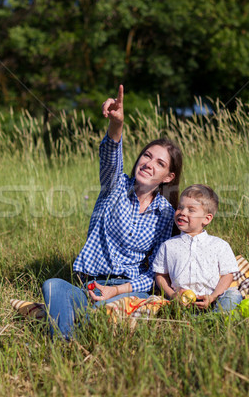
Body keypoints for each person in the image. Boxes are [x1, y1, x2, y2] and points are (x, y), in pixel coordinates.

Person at [41, 85, 183, 339]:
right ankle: (66, 344)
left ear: (168, 176)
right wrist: (116, 126)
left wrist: (116, 291)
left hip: (128, 290)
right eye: (147, 156)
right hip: (92, 285)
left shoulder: (166, 213)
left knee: (108, 309)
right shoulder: (115, 186)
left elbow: (155, 271)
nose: (149, 164)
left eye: (159, 163)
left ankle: (83, 325)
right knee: (52, 286)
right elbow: (110, 159)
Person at [153, 184, 243, 311]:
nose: (182, 212)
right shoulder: (168, 245)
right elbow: (160, 275)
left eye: (191, 210)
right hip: (181, 301)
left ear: (206, 219)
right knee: (156, 302)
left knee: (233, 295)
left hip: (213, 298)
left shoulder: (219, 245)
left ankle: (216, 318)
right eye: (180, 207)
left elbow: (227, 275)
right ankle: (192, 317)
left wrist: (212, 297)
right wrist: (172, 295)